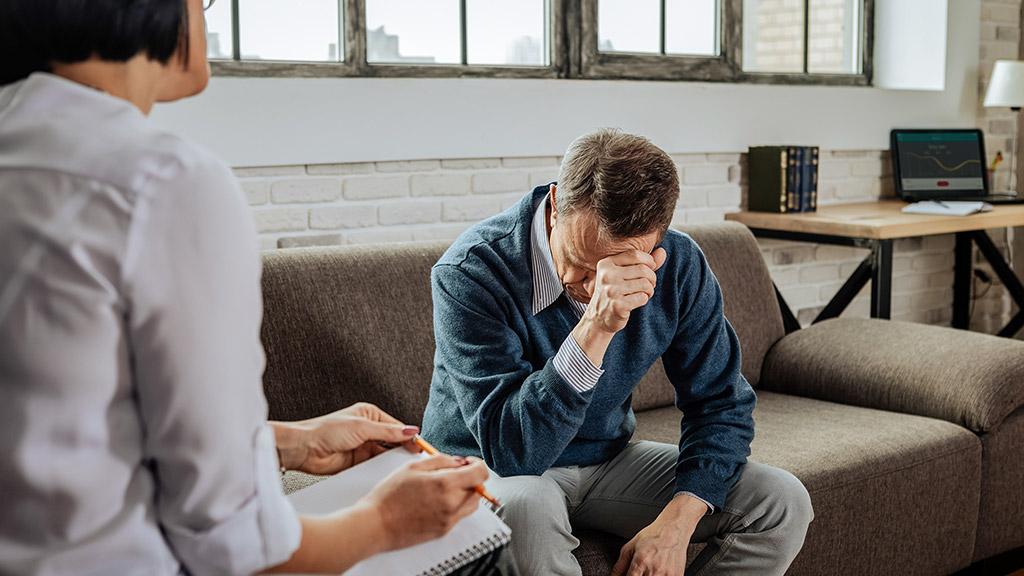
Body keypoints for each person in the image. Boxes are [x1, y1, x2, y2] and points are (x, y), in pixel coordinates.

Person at [0, 1, 513, 574]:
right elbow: (233, 549)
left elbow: (62, 428)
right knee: (479, 544)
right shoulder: (162, 184)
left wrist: (288, 440)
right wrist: (387, 522)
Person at [421, 129, 815, 575]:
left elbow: (721, 403)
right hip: (485, 469)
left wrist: (677, 524)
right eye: (578, 260)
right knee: (529, 504)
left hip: (602, 462)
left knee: (782, 501)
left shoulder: (679, 265)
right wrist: (594, 328)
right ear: (555, 204)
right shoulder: (471, 272)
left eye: (617, 265)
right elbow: (513, 453)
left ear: (655, 244)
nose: (592, 288)